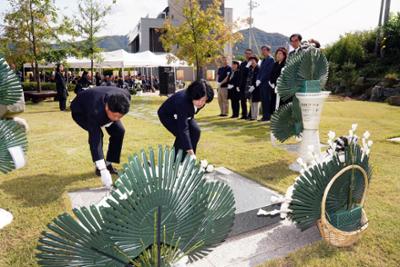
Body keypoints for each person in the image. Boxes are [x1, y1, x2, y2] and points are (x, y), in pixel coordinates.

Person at [70, 86, 131, 188]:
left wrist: (112, 119)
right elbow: (94, 140)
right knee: (98, 134)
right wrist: (102, 170)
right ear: (107, 107)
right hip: (81, 111)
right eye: (114, 116)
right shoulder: (95, 111)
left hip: (101, 106)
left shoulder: (126, 97)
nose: (116, 119)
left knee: (119, 131)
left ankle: (108, 163)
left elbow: (116, 115)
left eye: (119, 116)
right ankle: (101, 167)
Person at [158, 80, 214, 160]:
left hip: (184, 114)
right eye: (199, 99)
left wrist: (191, 153)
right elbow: (183, 128)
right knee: (182, 136)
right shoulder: (182, 102)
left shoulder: (199, 102)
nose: (201, 103)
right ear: (193, 95)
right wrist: (190, 151)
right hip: (167, 116)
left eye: (204, 100)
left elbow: (191, 111)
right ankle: (174, 163)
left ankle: (189, 160)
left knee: (196, 131)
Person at [256, 45, 275, 121]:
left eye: (264, 50)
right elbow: (260, 71)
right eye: (262, 50)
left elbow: (268, 72)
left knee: (267, 100)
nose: (262, 52)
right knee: (263, 100)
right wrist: (258, 79)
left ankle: (267, 116)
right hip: (261, 83)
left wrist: (261, 79)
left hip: (267, 83)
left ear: (268, 51)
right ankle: (264, 116)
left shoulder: (271, 59)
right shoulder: (263, 60)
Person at [269, 47, 288, 112]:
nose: (278, 55)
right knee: (274, 103)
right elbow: (271, 74)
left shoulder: (286, 64)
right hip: (274, 87)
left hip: (282, 88)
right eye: (277, 53)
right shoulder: (275, 64)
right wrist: (271, 82)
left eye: (280, 54)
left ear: (284, 55)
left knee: (281, 104)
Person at [238, 49, 253, 119]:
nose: (248, 55)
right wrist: (239, 85)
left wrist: (248, 66)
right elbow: (241, 74)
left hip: (249, 84)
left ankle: (250, 115)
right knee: (243, 100)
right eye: (246, 53)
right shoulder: (243, 63)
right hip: (242, 84)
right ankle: (244, 114)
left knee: (250, 100)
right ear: (244, 54)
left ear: (251, 54)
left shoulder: (253, 63)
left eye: (249, 54)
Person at [245, 56, 260, 120]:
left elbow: (258, 78)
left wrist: (254, 86)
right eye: (250, 61)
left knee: (255, 103)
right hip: (249, 87)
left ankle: (255, 117)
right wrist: (247, 66)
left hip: (256, 88)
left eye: (253, 61)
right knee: (251, 102)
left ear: (256, 61)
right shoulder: (250, 68)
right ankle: (252, 116)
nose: (252, 62)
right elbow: (244, 74)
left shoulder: (259, 68)